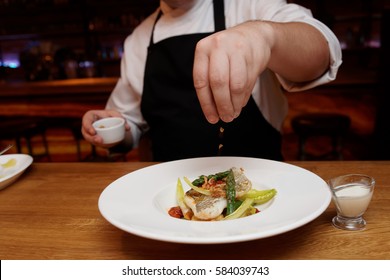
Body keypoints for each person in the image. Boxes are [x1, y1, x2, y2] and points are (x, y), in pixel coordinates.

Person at [81, 0, 342, 162]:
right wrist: (113, 130)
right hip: (173, 203)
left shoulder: (249, 5)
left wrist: (265, 35)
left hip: (259, 192)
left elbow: (322, 49)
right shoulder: (138, 39)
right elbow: (132, 126)